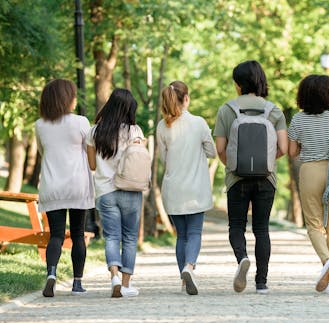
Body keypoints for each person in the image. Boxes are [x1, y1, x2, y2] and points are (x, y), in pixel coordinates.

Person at [214, 60, 288, 294]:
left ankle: (242, 258)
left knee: (236, 226)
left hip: (236, 179)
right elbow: (284, 148)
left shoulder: (227, 109)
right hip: (266, 179)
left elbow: (220, 148)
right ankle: (261, 282)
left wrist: (234, 165)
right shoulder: (273, 110)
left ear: (238, 84)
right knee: (261, 229)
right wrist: (266, 162)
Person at [287, 75, 329, 295]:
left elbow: (292, 152)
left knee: (314, 224)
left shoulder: (297, 120)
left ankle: (326, 260)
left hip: (310, 171)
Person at [35, 78, 95, 297]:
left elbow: (43, 152)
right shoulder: (81, 122)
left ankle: (51, 273)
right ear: (66, 98)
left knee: (56, 235)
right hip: (77, 185)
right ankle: (77, 283)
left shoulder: (40, 124)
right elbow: (90, 151)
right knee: (78, 234)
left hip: (52, 186)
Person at [157, 81, 216, 295]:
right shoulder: (199, 123)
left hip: (173, 188)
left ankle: (183, 281)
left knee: (181, 235)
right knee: (194, 232)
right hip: (195, 189)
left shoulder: (162, 127)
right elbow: (211, 151)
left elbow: (164, 158)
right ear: (187, 99)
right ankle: (189, 267)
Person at [86, 88, 144, 298]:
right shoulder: (135, 131)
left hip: (105, 191)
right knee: (129, 237)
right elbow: (139, 160)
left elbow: (92, 165)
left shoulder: (94, 132)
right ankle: (126, 284)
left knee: (111, 236)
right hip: (130, 189)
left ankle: (114, 277)